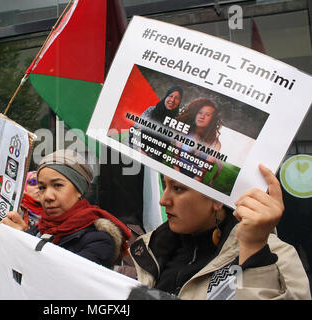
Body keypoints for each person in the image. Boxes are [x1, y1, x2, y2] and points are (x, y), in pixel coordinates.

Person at [129, 164, 311, 299]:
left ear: (217, 200)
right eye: (164, 185)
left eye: (178, 188)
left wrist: (254, 249)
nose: (163, 200)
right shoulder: (149, 247)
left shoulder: (278, 256)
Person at [0, 149, 132, 269]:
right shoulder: (38, 230)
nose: (47, 196)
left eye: (58, 185)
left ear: (79, 190)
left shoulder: (99, 241)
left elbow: (58, 282)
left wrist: (22, 240)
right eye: (42, 187)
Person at [173, 98, 223, 183]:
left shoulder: (216, 144)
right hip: (176, 175)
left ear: (212, 119)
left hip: (194, 182)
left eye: (207, 115)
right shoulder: (184, 132)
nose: (202, 117)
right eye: (200, 112)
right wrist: (178, 178)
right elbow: (175, 162)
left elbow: (201, 174)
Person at [129, 86, 183, 160]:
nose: (172, 100)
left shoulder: (178, 120)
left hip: (155, 158)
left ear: (179, 102)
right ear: (166, 97)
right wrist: (139, 151)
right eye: (170, 96)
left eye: (177, 98)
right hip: (136, 150)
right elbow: (136, 129)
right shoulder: (151, 110)